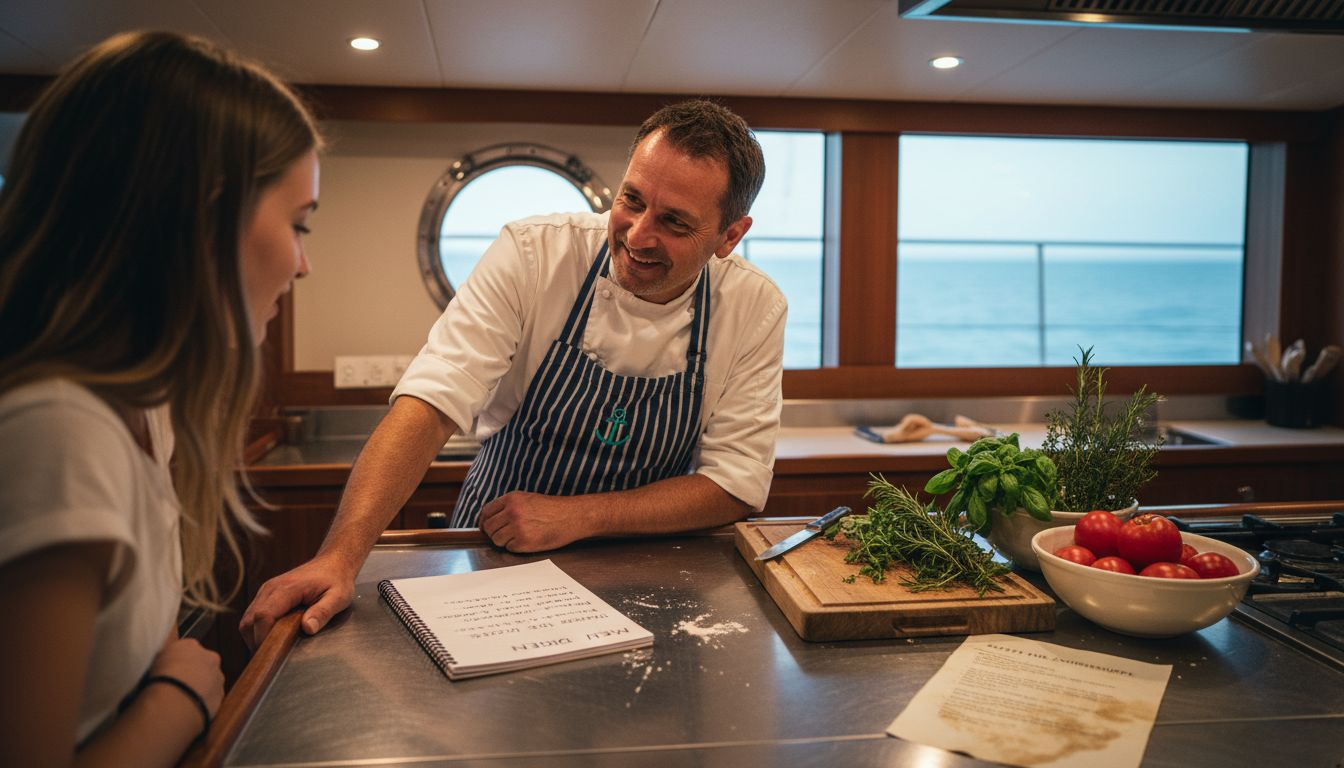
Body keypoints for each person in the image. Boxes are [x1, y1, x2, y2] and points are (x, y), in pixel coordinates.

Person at [240, 99, 785, 648]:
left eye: (673, 222)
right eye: (632, 200)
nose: (638, 235)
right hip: (497, 544)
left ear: (729, 236)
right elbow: (431, 403)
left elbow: (735, 483)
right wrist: (339, 558)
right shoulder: (535, 254)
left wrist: (583, 515)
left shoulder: (754, 308)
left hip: (651, 564)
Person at [0, 31, 320, 767]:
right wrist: (178, 700)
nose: (303, 264)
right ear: (202, 218)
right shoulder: (58, 433)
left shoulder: (146, 409)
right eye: (299, 223)